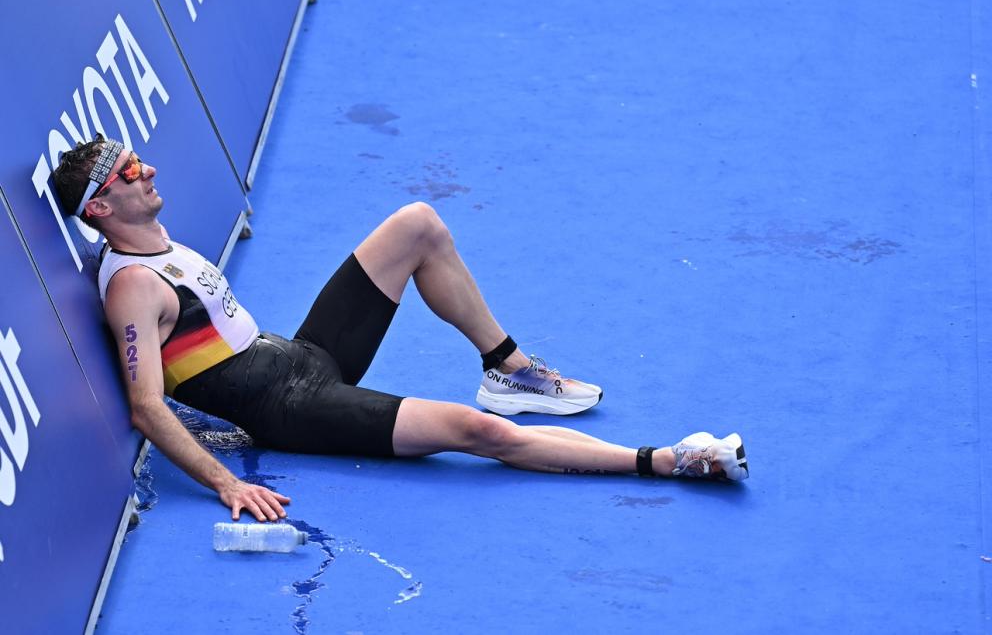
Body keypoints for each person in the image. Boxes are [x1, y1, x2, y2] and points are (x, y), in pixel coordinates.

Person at [52, 136, 749, 522]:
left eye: (137, 157)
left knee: (417, 224)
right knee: (480, 435)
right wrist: (223, 483)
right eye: (128, 172)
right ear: (102, 208)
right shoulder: (134, 287)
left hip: (299, 354)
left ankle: (505, 367)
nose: (147, 169)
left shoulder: (153, 242)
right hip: (292, 409)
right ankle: (668, 459)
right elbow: (146, 405)